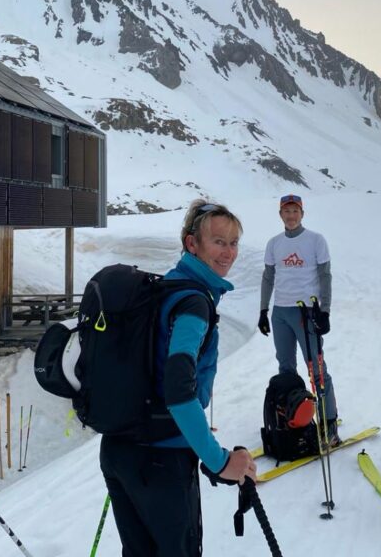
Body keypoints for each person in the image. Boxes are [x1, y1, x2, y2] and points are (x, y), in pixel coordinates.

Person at [99, 199, 256, 556]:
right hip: (162, 459)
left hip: (120, 449)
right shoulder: (193, 304)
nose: (228, 252)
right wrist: (219, 461)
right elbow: (178, 390)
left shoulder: (162, 288)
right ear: (192, 244)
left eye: (234, 242)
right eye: (219, 241)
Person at [257, 193, 339, 445]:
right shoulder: (274, 243)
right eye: (286, 211)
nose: (290, 216)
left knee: (317, 370)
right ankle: (292, 418)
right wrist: (263, 311)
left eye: (295, 211)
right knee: (285, 368)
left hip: (306, 312)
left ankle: (329, 424)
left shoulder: (315, 240)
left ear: (302, 214)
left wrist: (324, 311)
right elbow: (268, 277)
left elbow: (325, 276)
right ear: (280, 214)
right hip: (280, 311)